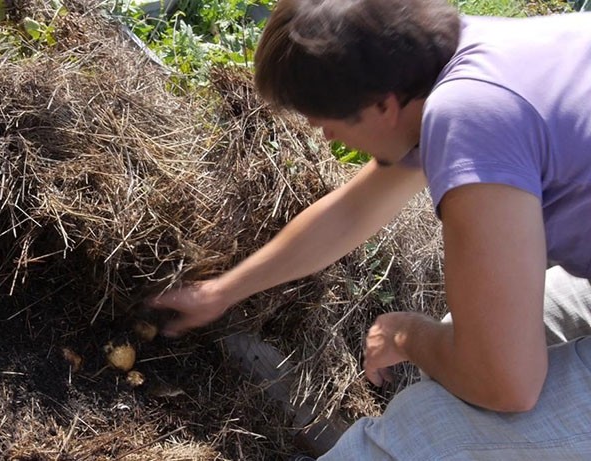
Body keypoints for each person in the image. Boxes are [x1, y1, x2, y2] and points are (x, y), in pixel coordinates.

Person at [148, 0, 591, 459]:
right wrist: (220, 292)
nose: (329, 139)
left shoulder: (473, 117)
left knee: (395, 446)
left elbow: (507, 384)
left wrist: (405, 334)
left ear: (382, 105)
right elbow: (350, 213)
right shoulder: (457, 56)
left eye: (326, 124)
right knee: (458, 359)